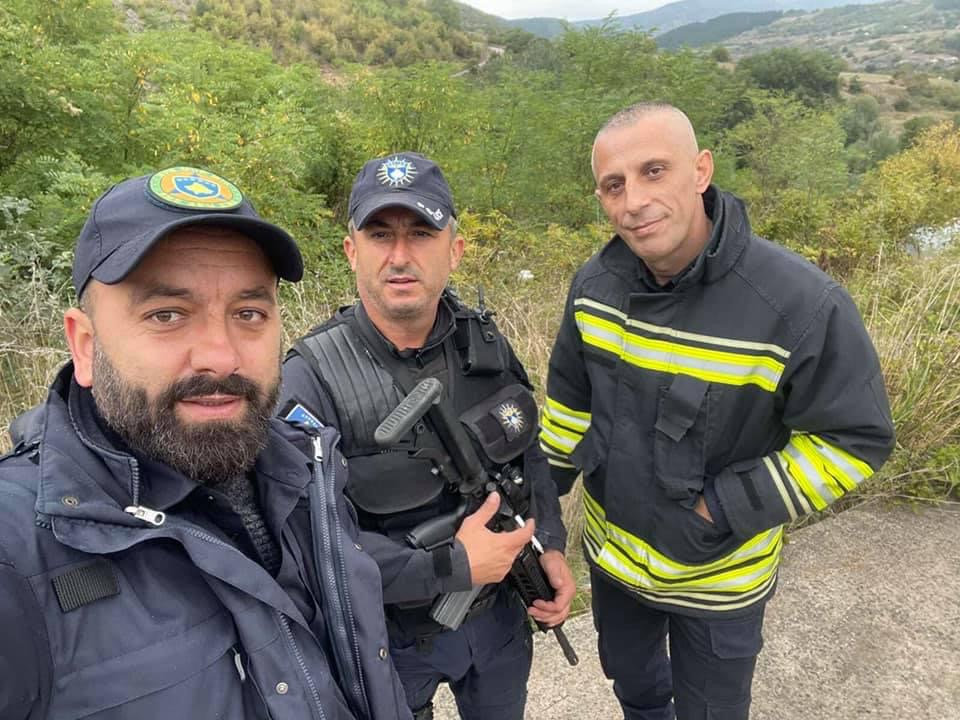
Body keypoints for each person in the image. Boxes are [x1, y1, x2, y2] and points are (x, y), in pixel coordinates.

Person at [0, 167, 413, 720]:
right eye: (167, 315)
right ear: (85, 345)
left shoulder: (311, 472)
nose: (220, 356)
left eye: (249, 314)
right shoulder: (15, 555)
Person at [539, 103, 895, 720]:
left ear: (701, 170)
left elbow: (853, 439)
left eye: (654, 171)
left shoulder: (799, 303)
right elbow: (570, 406)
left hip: (720, 578)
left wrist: (721, 510)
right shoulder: (594, 287)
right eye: (613, 185)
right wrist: (540, 512)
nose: (634, 202)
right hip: (613, 562)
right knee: (634, 690)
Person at [279, 152, 575, 720]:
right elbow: (310, 545)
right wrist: (451, 566)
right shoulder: (309, 379)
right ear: (351, 251)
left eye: (420, 233)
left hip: (498, 624)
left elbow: (526, 454)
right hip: (387, 643)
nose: (399, 255)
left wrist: (551, 543)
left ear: (454, 251)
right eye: (380, 234)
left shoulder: (484, 346)